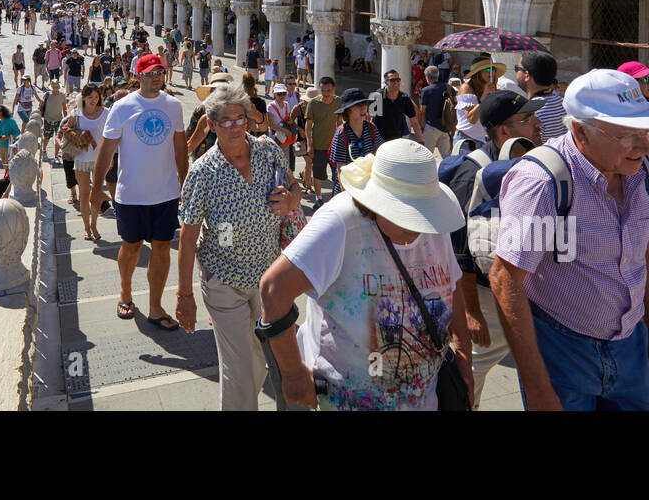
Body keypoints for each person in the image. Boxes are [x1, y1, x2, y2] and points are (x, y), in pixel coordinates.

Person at [490, 69, 649, 410]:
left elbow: (647, 256)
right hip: (561, 351)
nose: (645, 146)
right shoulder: (542, 182)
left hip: (632, 346)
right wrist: (538, 389)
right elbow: (506, 280)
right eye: (628, 134)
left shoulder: (645, 174)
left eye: (648, 131)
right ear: (580, 130)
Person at [257, 139, 472, 410]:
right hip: (348, 400)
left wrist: (464, 355)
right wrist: (291, 373)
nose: (418, 226)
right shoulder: (340, 223)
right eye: (407, 215)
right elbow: (274, 288)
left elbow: (452, 284)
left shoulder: (433, 223)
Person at [176, 85, 300, 410]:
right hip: (223, 282)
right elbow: (187, 237)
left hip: (268, 280)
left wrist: (291, 201)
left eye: (240, 119)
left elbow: (294, 186)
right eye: (226, 121)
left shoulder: (267, 151)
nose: (234, 127)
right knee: (239, 369)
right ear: (211, 124)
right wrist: (184, 296)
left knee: (260, 360)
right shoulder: (202, 173)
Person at [440, 90, 543, 406]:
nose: (537, 124)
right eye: (526, 120)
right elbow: (458, 250)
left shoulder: (523, 163)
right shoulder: (473, 173)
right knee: (471, 369)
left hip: (518, 290)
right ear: (503, 131)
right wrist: (471, 313)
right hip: (486, 298)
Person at [92, 53, 187, 329]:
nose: (157, 76)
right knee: (131, 247)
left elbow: (180, 147)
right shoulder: (122, 107)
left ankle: (156, 308)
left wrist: (185, 181)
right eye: (151, 72)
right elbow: (106, 150)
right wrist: (96, 189)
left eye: (161, 72)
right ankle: (125, 293)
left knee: (161, 248)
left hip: (166, 193)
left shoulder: (174, 106)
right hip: (131, 194)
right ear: (139, 75)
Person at [63, 85, 108, 241]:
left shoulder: (106, 113)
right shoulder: (76, 114)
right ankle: (86, 228)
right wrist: (77, 135)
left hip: (99, 160)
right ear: (84, 98)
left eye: (96, 97)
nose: (93, 101)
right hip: (81, 159)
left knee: (95, 194)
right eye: (90, 97)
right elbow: (65, 128)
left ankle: (94, 225)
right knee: (84, 195)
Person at [326, 87, 380, 197]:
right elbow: (340, 170)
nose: (364, 108)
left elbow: (380, 154)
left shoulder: (371, 128)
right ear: (348, 110)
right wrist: (346, 197)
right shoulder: (341, 133)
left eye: (365, 104)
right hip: (347, 190)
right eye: (358, 105)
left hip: (368, 189)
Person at [454, 57, 504, 153]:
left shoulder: (490, 89)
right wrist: (484, 96)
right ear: (478, 73)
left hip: (483, 140)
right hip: (465, 141)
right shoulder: (466, 88)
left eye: (493, 69)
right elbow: (472, 119)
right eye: (487, 69)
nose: (491, 73)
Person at [304, 77, 341, 204]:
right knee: (318, 174)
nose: (325, 94)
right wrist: (309, 145)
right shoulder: (313, 103)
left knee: (337, 173)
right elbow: (308, 125)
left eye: (328, 91)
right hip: (318, 145)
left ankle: (336, 197)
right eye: (323, 90)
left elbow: (340, 122)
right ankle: (318, 198)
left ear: (333, 89)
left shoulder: (338, 102)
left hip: (334, 146)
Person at [516, 51, 566, 141]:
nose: (516, 72)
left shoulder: (533, 113)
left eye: (517, 68)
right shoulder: (563, 102)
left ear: (527, 75)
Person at [370, 69, 420, 143]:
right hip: (379, 139)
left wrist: (421, 140)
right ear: (386, 82)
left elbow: (414, 121)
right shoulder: (377, 96)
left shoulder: (404, 98)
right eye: (392, 80)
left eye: (398, 80)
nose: (396, 82)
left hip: (397, 139)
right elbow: (368, 118)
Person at [419, 65, 456, 158]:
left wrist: (422, 125)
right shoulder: (448, 88)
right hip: (445, 127)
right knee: (447, 157)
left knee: (425, 156)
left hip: (431, 126)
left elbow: (422, 110)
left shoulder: (426, 90)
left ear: (427, 76)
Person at [41, 80, 68, 159]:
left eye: (56, 88)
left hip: (59, 120)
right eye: (54, 88)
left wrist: (66, 120)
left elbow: (64, 108)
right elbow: (41, 106)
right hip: (48, 120)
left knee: (58, 138)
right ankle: (44, 150)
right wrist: (40, 118)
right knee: (47, 137)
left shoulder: (62, 96)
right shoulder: (47, 95)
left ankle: (56, 155)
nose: (55, 90)